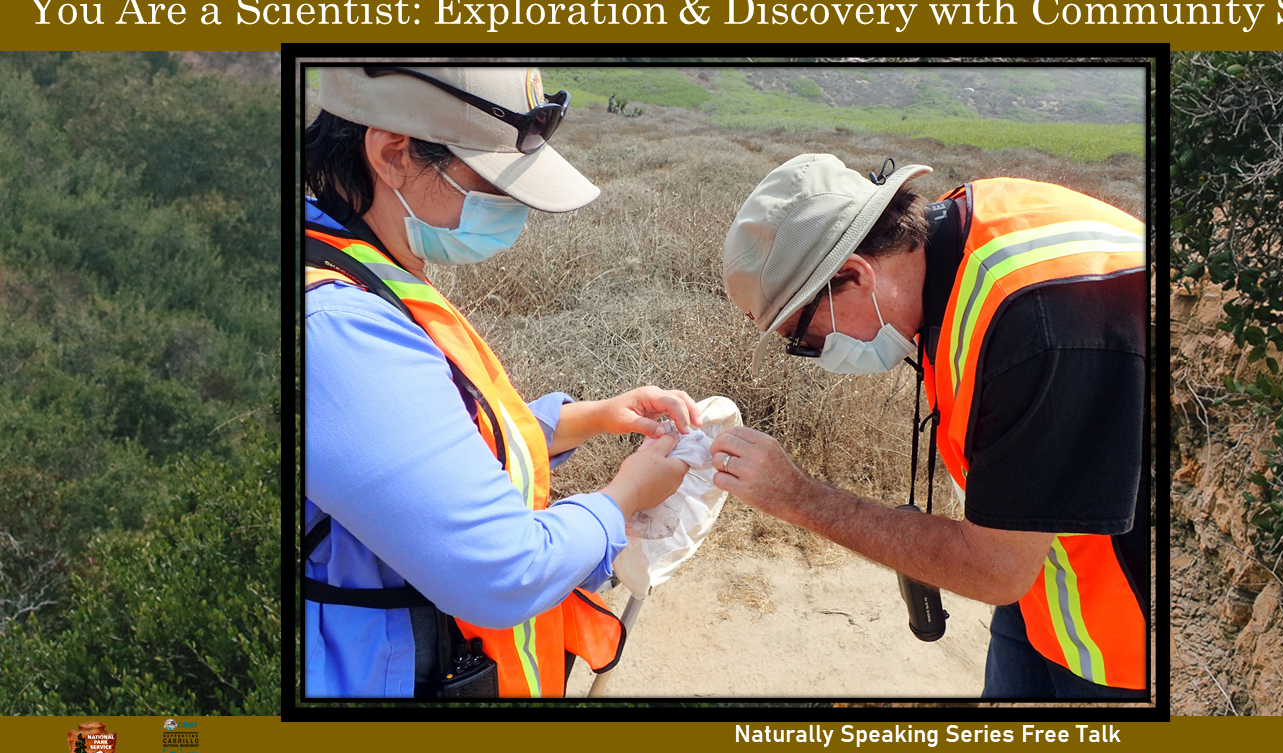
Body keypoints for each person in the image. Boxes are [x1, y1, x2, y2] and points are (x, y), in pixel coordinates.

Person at [303, 66, 699, 699]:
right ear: (393, 153)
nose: (512, 206)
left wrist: (591, 417)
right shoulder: (339, 329)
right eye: (493, 182)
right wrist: (624, 497)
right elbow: (503, 571)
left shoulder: (354, 261)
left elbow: (427, 451)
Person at [712, 154, 1148, 699]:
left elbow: (995, 570)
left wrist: (799, 498)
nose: (813, 353)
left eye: (804, 337)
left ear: (853, 275)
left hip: (1117, 641)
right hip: (1044, 591)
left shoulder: (1034, 324)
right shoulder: (957, 237)